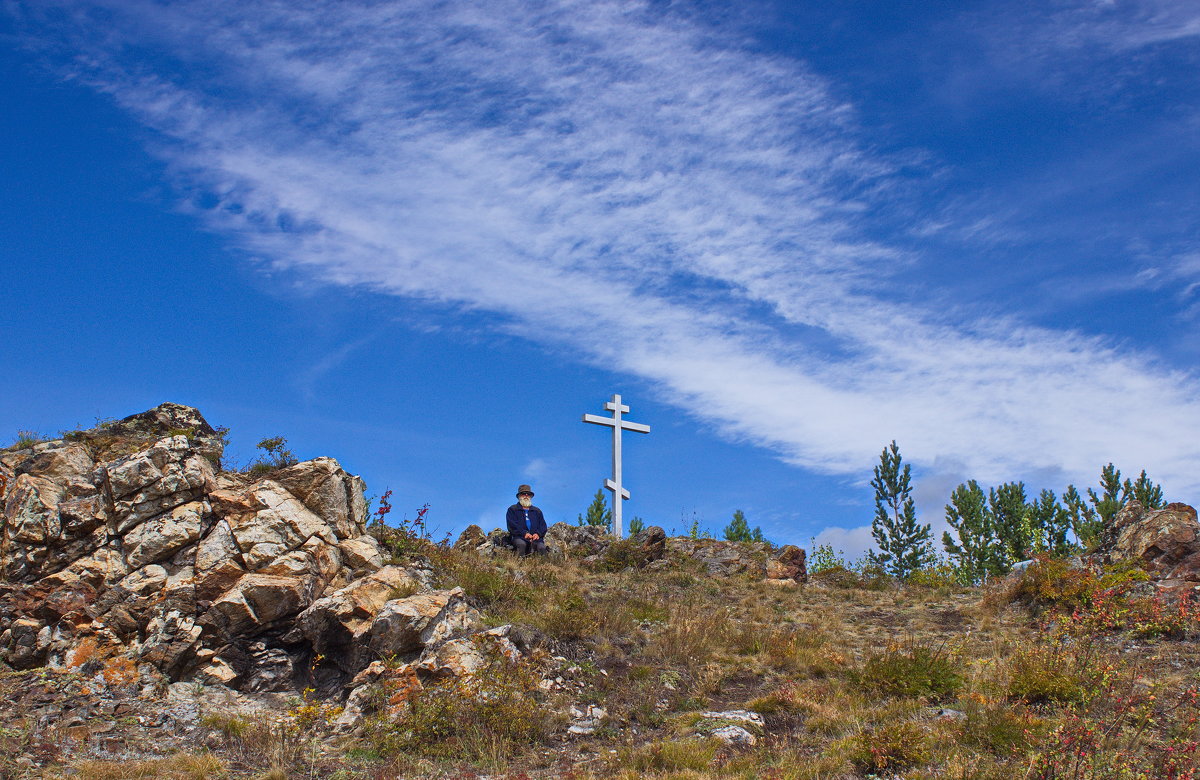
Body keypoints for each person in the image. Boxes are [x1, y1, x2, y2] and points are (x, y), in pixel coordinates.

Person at [506, 484, 547, 556]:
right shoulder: (512, 509)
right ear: (519, 496)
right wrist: (524, 533)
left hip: (536, 539)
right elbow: (512, 525)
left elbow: (543, 526)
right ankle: (518, 565)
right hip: (519, 537)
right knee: (521, 545)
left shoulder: (537, 511)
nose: (526, 496)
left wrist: (538, 534)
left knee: (542, 548)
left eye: (528, 494)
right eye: (523, 494)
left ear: (530, 496)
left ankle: (544, 566)